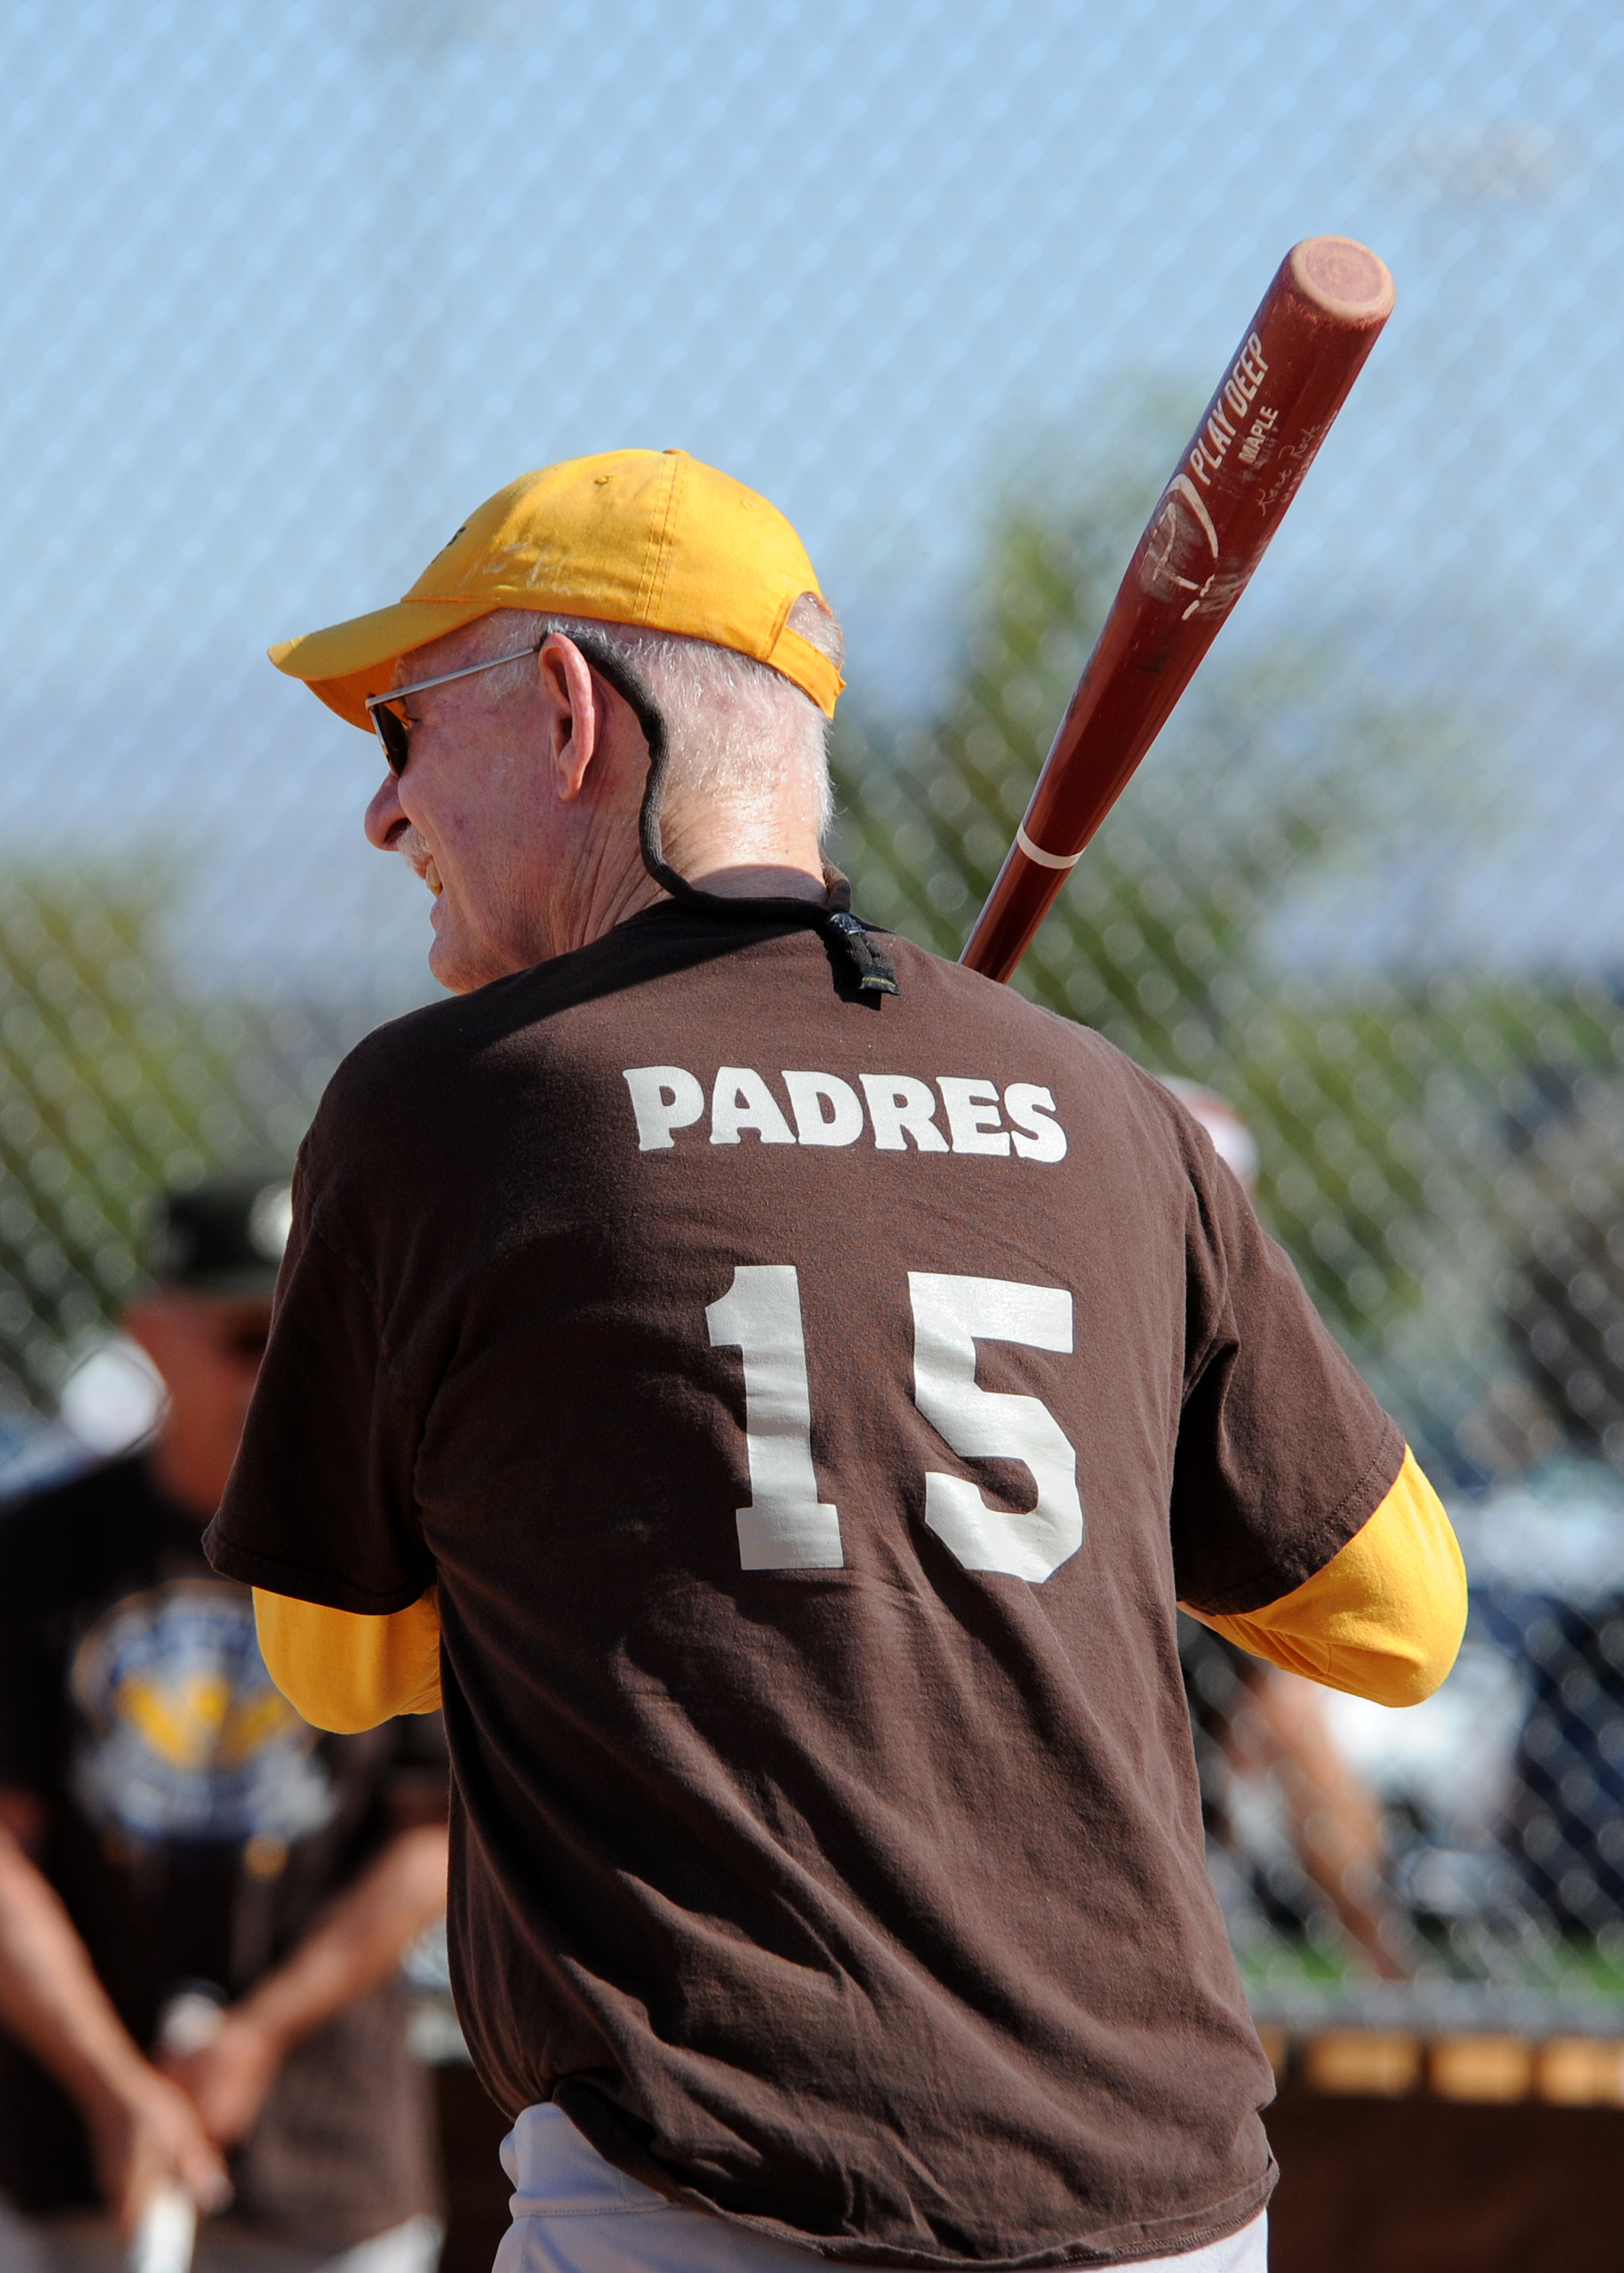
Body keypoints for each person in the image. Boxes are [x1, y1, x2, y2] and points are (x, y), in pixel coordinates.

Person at [204, 447, 1468, 2273]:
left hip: (709, 2195)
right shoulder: (1109, 1108)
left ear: (566, 708)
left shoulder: (442, 1109)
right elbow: (1401, 1622)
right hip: (1162, 2208)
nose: (383, 810)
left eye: (402, 730)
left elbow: (338, 1663)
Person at [0, 1182, 450, 2273]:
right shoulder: (40, 1553)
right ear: (152, 1337)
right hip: (74, 2164)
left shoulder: (400, 1549)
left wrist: (257, 2035)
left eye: (312, 1335)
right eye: (251, 1338)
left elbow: (433, 1838)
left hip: (330, 2169)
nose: (285, 1375)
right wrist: (115, 2085)